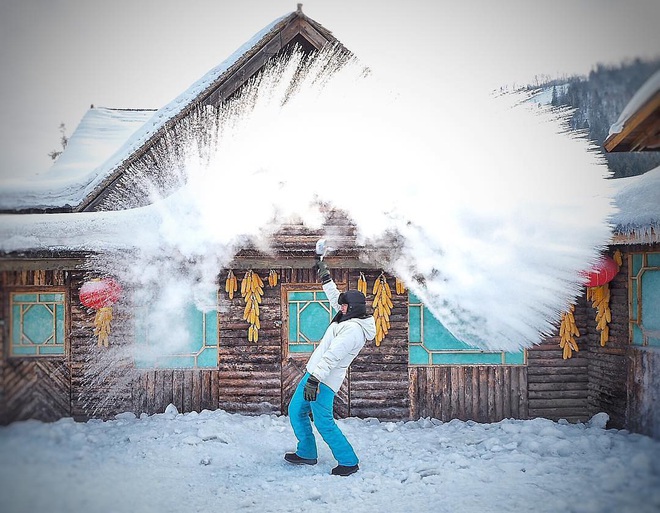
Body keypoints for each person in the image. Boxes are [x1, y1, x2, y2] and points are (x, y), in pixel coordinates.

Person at [284, 258, 376, 476]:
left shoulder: (353, 329)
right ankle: (306, 452)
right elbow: (336, 298)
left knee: (323, 421)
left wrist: (314, 381)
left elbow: (332, 356)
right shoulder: (347, 316)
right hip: (314, 375)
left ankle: (348, 461)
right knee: (296, 411)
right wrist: (325, 276)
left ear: (352, 308)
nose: (340, 307)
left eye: (344, 305)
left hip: (323, 381)